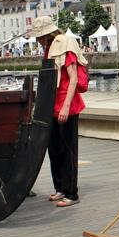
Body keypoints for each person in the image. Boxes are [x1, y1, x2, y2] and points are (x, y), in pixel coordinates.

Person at [28, 16, 87, 207]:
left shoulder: (65, 45)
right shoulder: (50, 48)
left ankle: (71, 193)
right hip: (51, 106)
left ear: (46, 34)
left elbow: (74, 79)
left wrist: (66, 106)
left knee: (68, 150)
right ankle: (60, 188)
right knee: (54, 149)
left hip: (65, 105)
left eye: (39, 37)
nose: (37, 40)